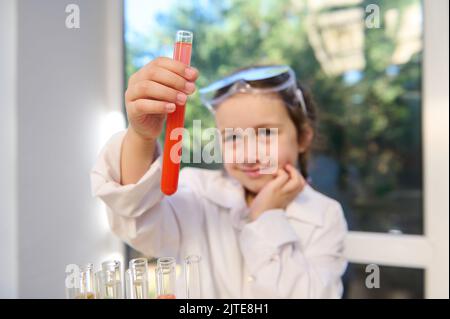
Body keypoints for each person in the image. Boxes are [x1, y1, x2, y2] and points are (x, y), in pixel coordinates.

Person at [91, 57, 348, 298]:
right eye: (232, 137)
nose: (248, 156)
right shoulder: (198, 192)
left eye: (266, 133)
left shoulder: (325, 216)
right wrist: (142, 136)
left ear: (303, 137)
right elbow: (136, 217)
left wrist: (267, 217)